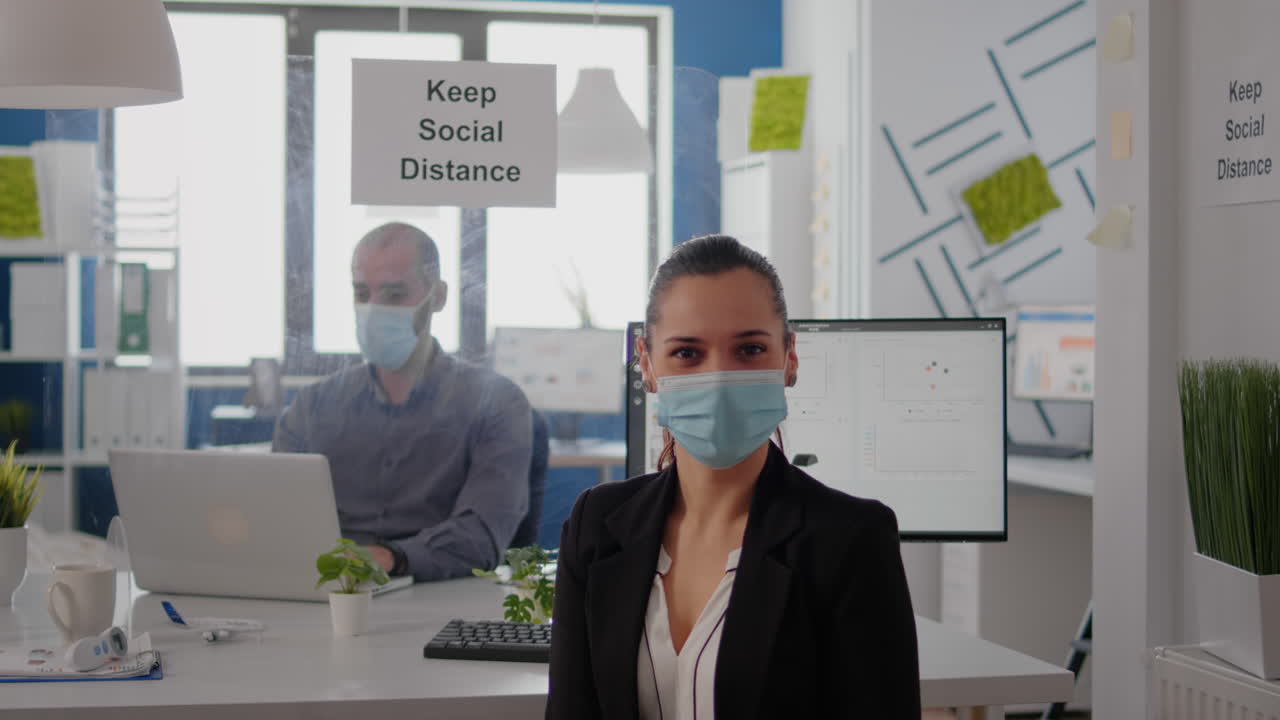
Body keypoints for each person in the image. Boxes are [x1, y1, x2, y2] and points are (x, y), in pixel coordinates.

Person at [546, 235, 920, 718]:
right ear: (647, 364)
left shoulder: (850, 540)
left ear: (789, 358)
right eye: (687, 353)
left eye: (748, 349)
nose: (719, 377)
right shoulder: (596, 523)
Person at [273, 222, 533, 582]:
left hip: (439, 594)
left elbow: (482, 536)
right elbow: (275, 521)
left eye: (394, 295)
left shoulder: (495, 403)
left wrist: (388, 559)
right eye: (362, 294)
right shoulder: (312, 407)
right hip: (328, 589)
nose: (373, 309)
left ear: (437, 297)